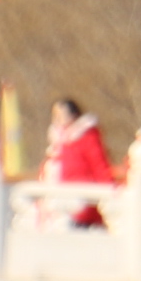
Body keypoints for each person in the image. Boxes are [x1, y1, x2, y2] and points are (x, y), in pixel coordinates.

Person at [45, 97, 116, 230]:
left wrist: (110, 188)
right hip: (60, 202)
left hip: (82, 202)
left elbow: (99, 164)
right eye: (55, 115)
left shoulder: (87, 137)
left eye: (61, 114)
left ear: (73, 115)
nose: (57, 118)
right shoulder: (58, 142)